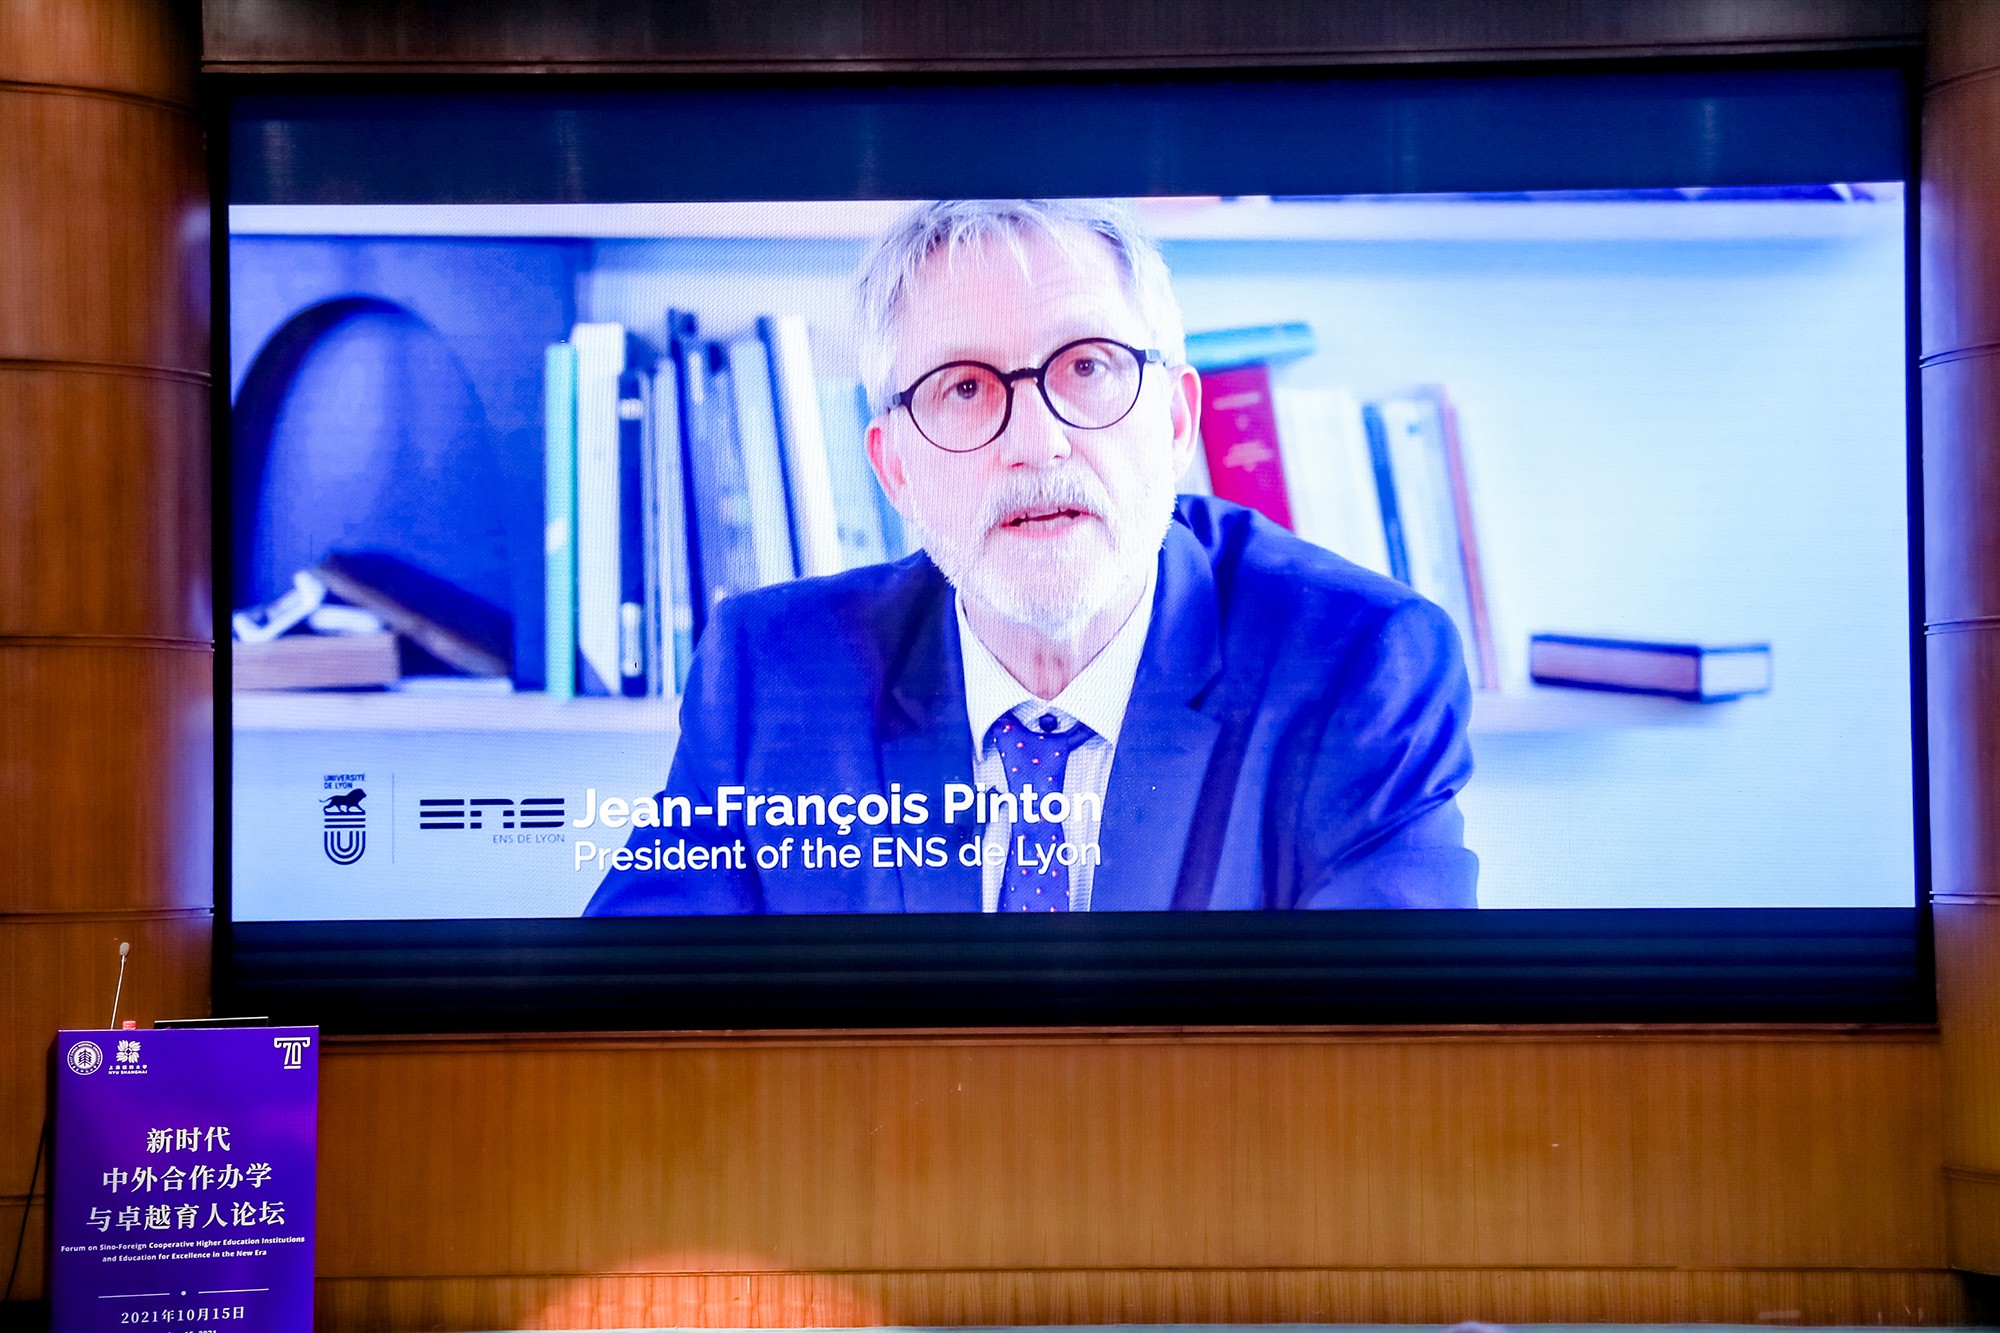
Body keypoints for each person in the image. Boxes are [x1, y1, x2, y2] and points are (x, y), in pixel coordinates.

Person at [584, 198, 1476, 915]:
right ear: (895, 470)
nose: (1037, 442)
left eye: (1087, 367)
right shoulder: (772, 673)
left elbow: (1386, 1056)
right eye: (965, 387)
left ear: (1175, 422)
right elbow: (626, 1035)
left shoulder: (1361, 665)